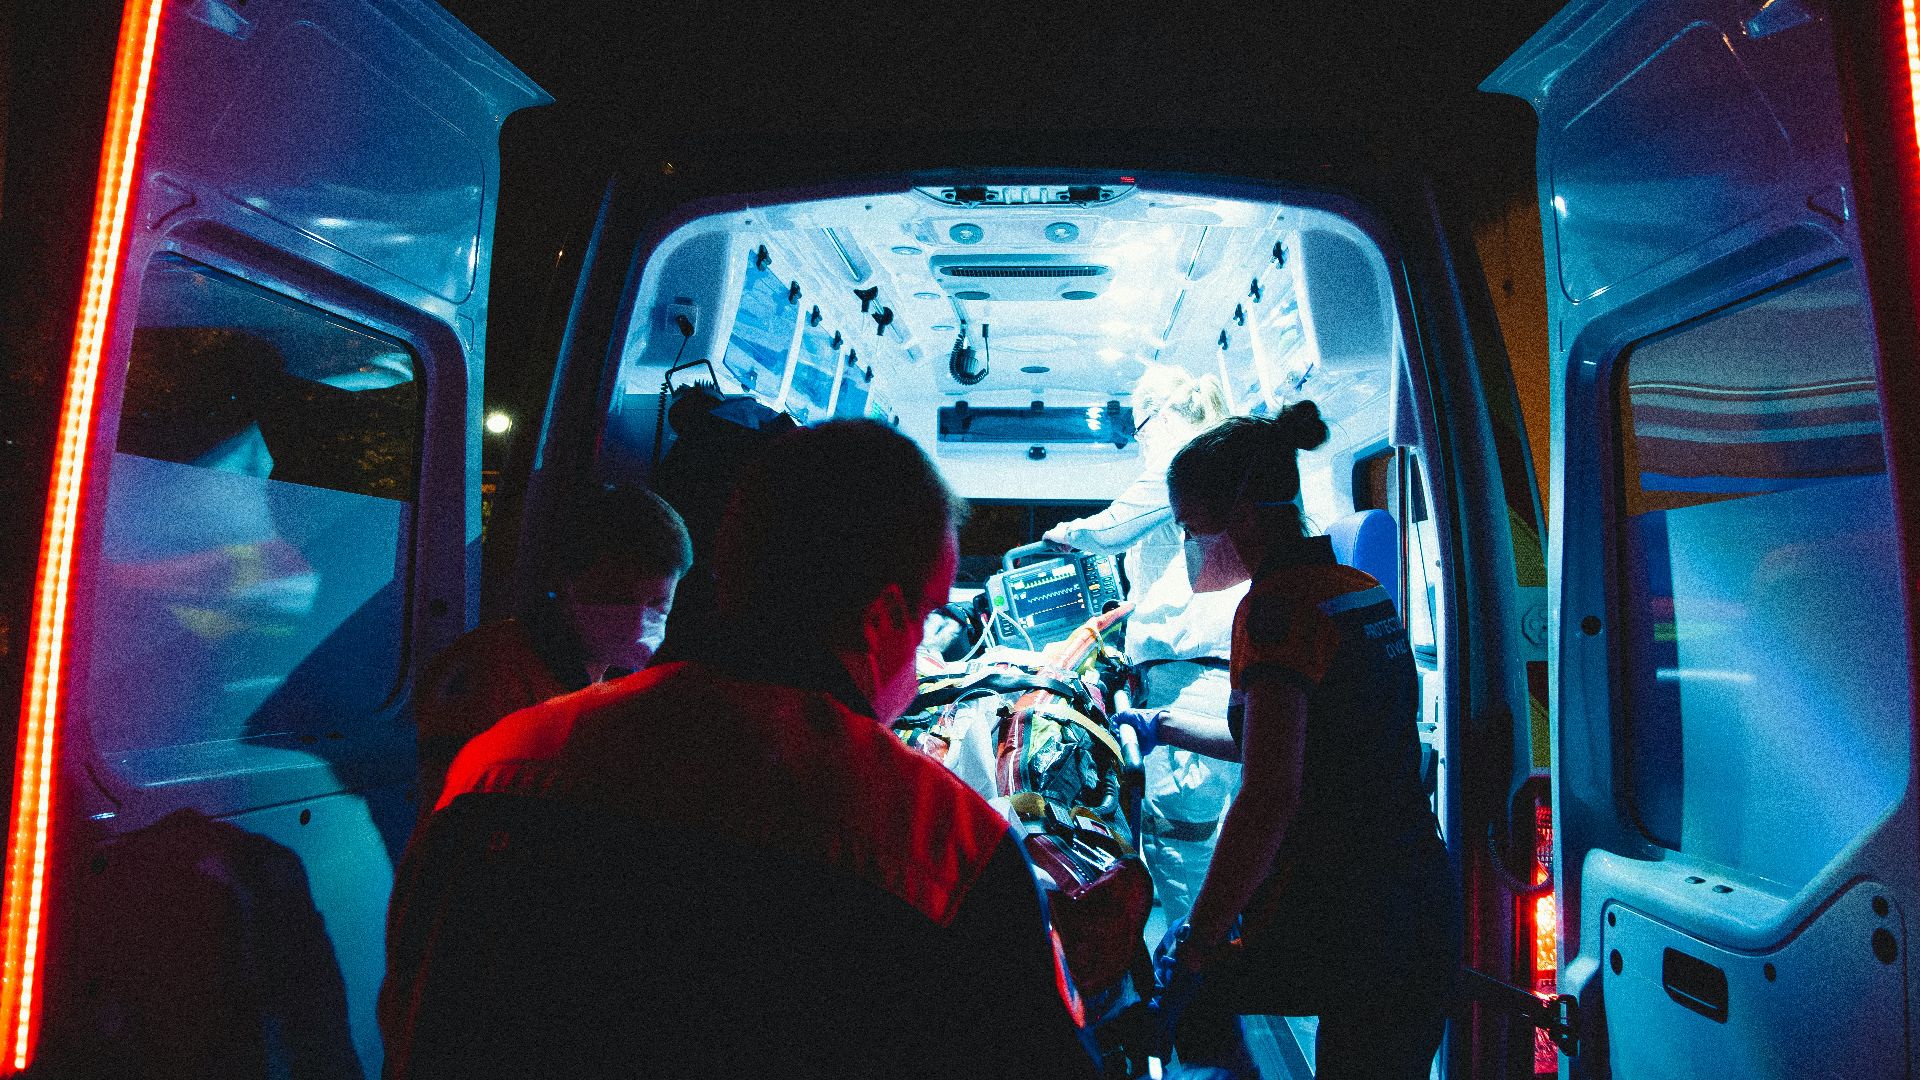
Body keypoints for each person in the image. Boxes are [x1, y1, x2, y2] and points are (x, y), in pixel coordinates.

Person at [381, 420, 1100, 1080]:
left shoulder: (500, 759)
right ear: (882, 617)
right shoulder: (949, 844)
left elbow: (413, 1020)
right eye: (928, 615)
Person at [1122, 403, 1459, 1080]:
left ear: (1244, 516)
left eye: (1191, 527)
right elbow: (1295, 742)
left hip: (1357, 914)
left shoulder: (1274, 611)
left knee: (1193, 1001)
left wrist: (1198, 938)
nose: (1188, 544)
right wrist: (1165, 727)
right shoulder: (1357, 590)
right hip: (1415, 896)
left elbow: (1270, 794)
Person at [1041, 364, 1242, 929]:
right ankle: (1215, 952)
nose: (1140, 441)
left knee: (1181, 842)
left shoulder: (1182, 461)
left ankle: (1195, 962)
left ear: (1159, 415)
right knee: (1209, 838)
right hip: (1204, 671)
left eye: (1138, 428)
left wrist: (1062, 534)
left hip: (1190, 678)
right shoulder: (1216, 463)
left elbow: (1110, 528)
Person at [410, 484, 691, 816]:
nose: (637, 623)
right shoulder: (491, 669)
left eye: (658, 604)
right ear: (565, 582)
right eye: (617, 598)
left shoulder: (614, 681)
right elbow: (455, 813)